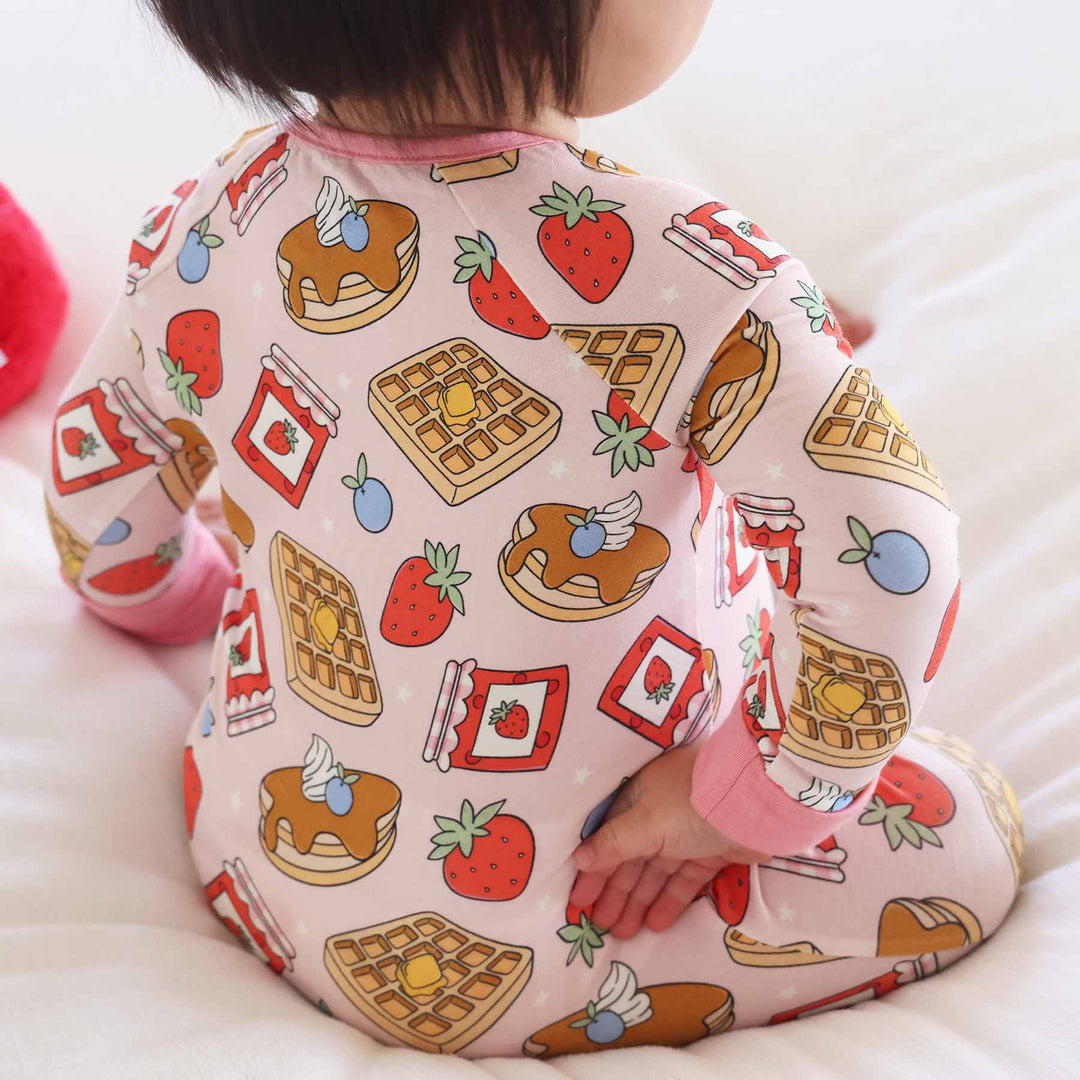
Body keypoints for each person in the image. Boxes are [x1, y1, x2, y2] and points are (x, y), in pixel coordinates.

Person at [42, 0, 1021, 1058]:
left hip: (265, 863)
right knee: (964, 835)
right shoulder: (699, 278)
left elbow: (97, 485)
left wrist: (187, 596)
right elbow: (894, 564)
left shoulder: (209, 222)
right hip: (572, 924)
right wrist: (742, 802)